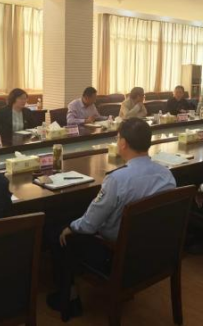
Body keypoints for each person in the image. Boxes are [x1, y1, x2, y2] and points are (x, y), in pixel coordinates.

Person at [48, 118, 176, 319]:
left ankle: (69, 300)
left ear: (123, 143)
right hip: (154, 251)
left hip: (115, 255)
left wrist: (70, 227)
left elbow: (89, 225)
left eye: (117, 138)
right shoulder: (166, 175)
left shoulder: (117, 179)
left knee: (60, 232)